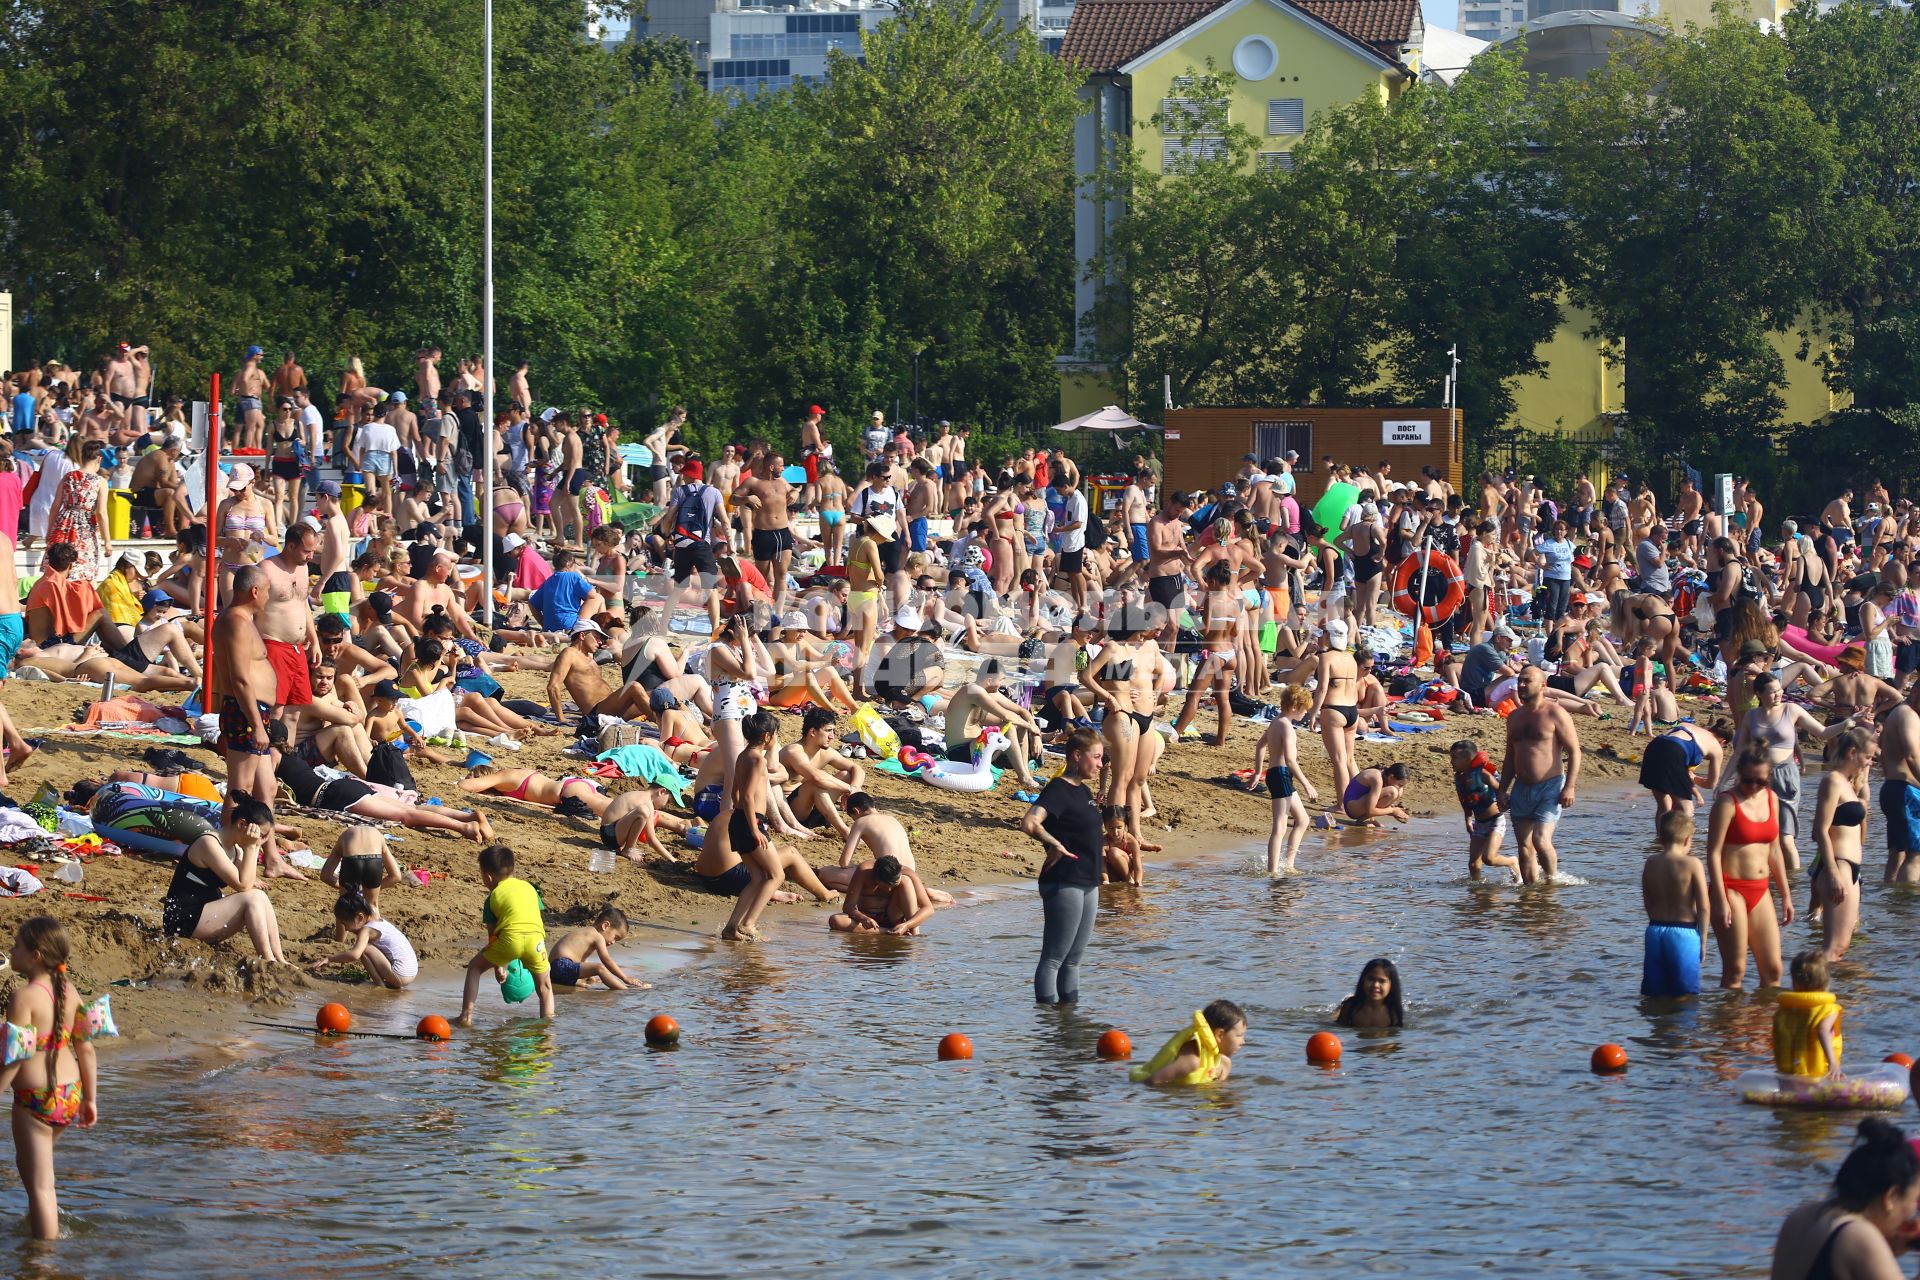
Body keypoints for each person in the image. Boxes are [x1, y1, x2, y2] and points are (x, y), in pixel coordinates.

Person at [0, 917, 104, 1238]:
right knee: (30, 1168)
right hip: (69, 1095)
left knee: (41, 1186)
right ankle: (39, 1231)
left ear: (36, 956)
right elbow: (86, 1050)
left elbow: (17, 1057)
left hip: (35, 1101)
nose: (11, 950)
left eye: (16, 945)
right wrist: (89, 1099)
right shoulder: (70, 992)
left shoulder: (21, 998)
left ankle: (44, 1260)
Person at [1770, 1118, 1920, 1280]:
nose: (1913, 1212)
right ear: (1890, 1197)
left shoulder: (1800, 1216)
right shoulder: (1860, 1236)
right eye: (1915, 1199)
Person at [1022, 728, 1105, 1005]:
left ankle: (1069, 1022)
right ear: (1077, 756)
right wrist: (1053, 844)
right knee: (1055, 958)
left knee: (1074, 961)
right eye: (1096, 757)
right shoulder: (1059, 788)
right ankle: (1047, 1023)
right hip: (1064, 880)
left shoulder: (1084, 791)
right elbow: (1030, 822)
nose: (1100, 764)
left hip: (1088, 881)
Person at [1707, 744, 1795, 989]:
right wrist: (1721, 898)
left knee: (1773, 970)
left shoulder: (1771, 799)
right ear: (1738, 774)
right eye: (1748, 780)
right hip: (1731, 889)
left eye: (1761, 781)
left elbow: (1775, 850)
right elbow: (1713, 853)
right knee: (1736, 969)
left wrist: (1786, 896)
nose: (1754, 786)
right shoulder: (1727, 803)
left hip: (1760, 889)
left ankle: (1762, 1025)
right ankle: (1729, 1024)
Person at [160, 794, 288, 963]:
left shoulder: (237, 850)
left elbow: (247, 881)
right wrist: (252, 846)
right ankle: (268, 959)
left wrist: (252, 848)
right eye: (260, 835)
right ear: (242, 824)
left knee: (260, 896)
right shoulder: (209, 843)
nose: (261, 841)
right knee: (253, 897)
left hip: (203, 916)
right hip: (182, 922)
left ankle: (279, 958)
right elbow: (243, 885)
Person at [1498, 665, 1581, 884]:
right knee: (1524, 847)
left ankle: (1552, 882)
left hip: (1550, 786)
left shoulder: (1556, 713)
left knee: (1540, 840)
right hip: (1521, 788)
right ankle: (1531, 895)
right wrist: (1501, 790)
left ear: (1543, 685)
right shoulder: (1514, 717)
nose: (1522, 685)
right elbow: (1509, 757)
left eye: (1527, 681)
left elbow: (1574, 752)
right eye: (1520, 681)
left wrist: (1569, 787)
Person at [457, 845, 554, 1025]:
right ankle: (547, 1029)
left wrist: (499, 967)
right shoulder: (530, 888)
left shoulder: (492, 898)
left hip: (510, 939)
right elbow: (535, 917)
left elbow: (493, 937)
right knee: (545, 987)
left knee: (474, 967)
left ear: (487, 876)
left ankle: (465, 1016)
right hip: (536, 940)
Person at [1810, 726, 1873, 964]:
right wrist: (1834, 873)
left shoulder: (1848, 783)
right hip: (1838, 865)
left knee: (1842, 945)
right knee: (1833, 947)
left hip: (1850, 868)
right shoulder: (1833, 781)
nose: (1870, 763)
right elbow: (1820, 830)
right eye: (1867, 757)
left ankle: (1832, 995)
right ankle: (1808, 991)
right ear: (1852, 752)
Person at [1641, 809, 1710, 1000]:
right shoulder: (1693, 864)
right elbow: (1704, 907)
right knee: (1685, 995)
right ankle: (1681, 1028)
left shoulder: (1651, 863)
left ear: (1660, 837)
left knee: (1655, 994)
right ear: (1688, 840)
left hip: (1655, 930)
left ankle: (1658, 1027)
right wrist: (1703, 940)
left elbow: (1647, 899)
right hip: (1684, 933)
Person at [1251, 685, 1319, 875]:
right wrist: (1307, 784)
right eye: (1305, 709)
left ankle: (1288, 864)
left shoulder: (1276, 721)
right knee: (1280, 826)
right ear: (1295, 706)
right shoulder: (1285, 726)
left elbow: (1260, 746)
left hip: (1279, 774)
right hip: (1280, 774)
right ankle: (1273, 872)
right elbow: (1290, 760)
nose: (1306, 714)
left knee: (1303, 820)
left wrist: (1258, 772)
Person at [312, 892, 419, 989]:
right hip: (412, 972)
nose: (346, 929)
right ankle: (389, 983)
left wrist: (330, 959)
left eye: (345, 924)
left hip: (400, 974)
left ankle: (380, 985)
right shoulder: (380, 922)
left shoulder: (366, 930)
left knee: (364, 948)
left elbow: (354, 955)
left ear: (359, 918)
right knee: (368, 947)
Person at [1131, 999, 1248, 1086]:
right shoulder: (1192, 1060)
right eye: (1239, 1035)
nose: (1243, 1042)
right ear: (1220, 1035)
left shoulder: (1224, 1064)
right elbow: (1152, 1082)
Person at [1450, 739, 1518, 881]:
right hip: (1479, 824)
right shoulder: (1460, 779)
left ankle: (1512, 861)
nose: (1451, 761)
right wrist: (1468, 818)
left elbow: (1500, 791)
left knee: (1489, 858)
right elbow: (1464, 800)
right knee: (1474, 865)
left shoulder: (1482, 774)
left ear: (1468, 759)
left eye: (1455, 758)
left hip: (1495, 821)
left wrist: (1508, 801)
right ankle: (1478, 891)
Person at [1638, 721, 1724, 827]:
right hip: (1674, 749)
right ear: (1723, 742)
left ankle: (1660, 841)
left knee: (1664, 807)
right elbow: (1711, 784)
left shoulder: (1689, 725)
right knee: (1686, 809)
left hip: (1654, 745)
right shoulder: (1717, 748)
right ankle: (1683, 842)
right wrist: (1694, 778)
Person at [827, 854, 937, 935]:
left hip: (893, 916)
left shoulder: (905, 873)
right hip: (868, 920)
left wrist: (907, 925)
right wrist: (862, 918)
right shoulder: (864, 872)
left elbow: (928, 908)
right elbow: (848, 906)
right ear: (876, 879)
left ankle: (913, 934)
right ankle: (887, 932)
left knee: (906, 881)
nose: (889, 889)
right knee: (835, 921)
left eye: (894, 885)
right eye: (887, 885)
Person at [1776, 949, 1844, 1080]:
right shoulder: (1827, 1010)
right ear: (1825, 983)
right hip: (1817, 1076)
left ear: (1794, 983)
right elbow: (1822, 1030)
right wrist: (1833, 1063)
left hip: (1788, 1075)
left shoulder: (1787, 1009)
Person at [549, 908, 649, 989]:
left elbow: (581, 960)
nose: (613, 942)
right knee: (599, 968)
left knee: (589, 976)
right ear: (605, 926)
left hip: (552, 970)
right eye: (615, 937)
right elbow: (606, 960)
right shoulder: (597, 936)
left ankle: (577, 982)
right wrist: (625, 978)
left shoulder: (586, 932)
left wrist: (591, 977)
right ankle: (624, 990)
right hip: (561, 965)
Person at [1334, 958, 1404, 1028]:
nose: (1375, 985)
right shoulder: (1351, 1007)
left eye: (1382, 981)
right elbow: (1339, 1028)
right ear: (1363, 981)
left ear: (1391, 985)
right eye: (1371, 979)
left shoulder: (1393, 1012)